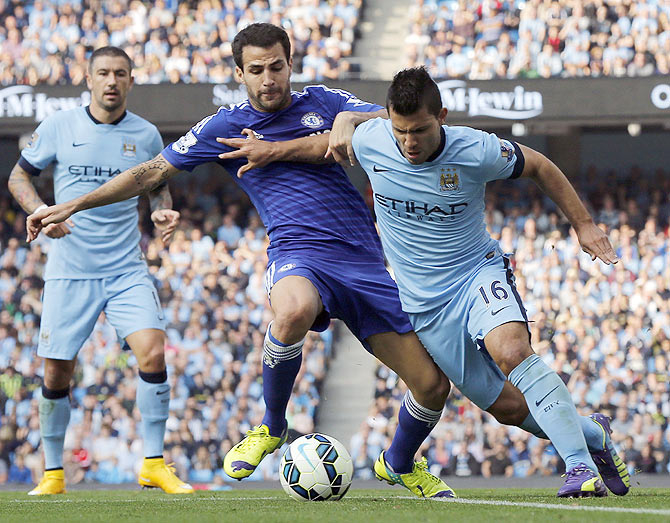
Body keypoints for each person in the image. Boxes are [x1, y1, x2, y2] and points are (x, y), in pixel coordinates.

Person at [25, 25, 458, 499]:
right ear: (239, 73)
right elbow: (151, 171)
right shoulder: (224, 127)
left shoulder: (326, 101)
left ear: (290, 64)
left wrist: (350, 121)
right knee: (291, 311)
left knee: (432, 385)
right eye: (256, 70)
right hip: (298, 253)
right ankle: (271, 426)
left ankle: (398, 462)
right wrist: (73, 204)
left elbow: (392, 117)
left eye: (276, 66)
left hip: (363, 263)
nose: (268, 78)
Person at [333, 67, 630, 498]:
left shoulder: (476, 149)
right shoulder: (370, 139)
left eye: (419, 131)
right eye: (401, 132)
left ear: (443, 117)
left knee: (512, 351)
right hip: (426, 307)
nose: (409, 143)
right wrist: (344, 121)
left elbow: (541, 166)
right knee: (508, 409)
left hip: (477, 273)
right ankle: (593, 435)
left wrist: (583, 224)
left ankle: (580, 467)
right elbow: (322, 143)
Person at [8, 47, 191, 495]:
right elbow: (18, 178)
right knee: (56, 375)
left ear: (130, 81)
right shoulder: (58, 126)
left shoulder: (147, 135)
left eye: (121, 74)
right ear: (87, 79)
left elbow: (157, 188)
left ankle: (153, 464)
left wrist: (162, 211)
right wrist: (42, 211)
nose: (112, 81)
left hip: (126, 267)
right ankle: (52, 474)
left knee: (152, 352)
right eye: (103, 73)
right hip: (71, 269)